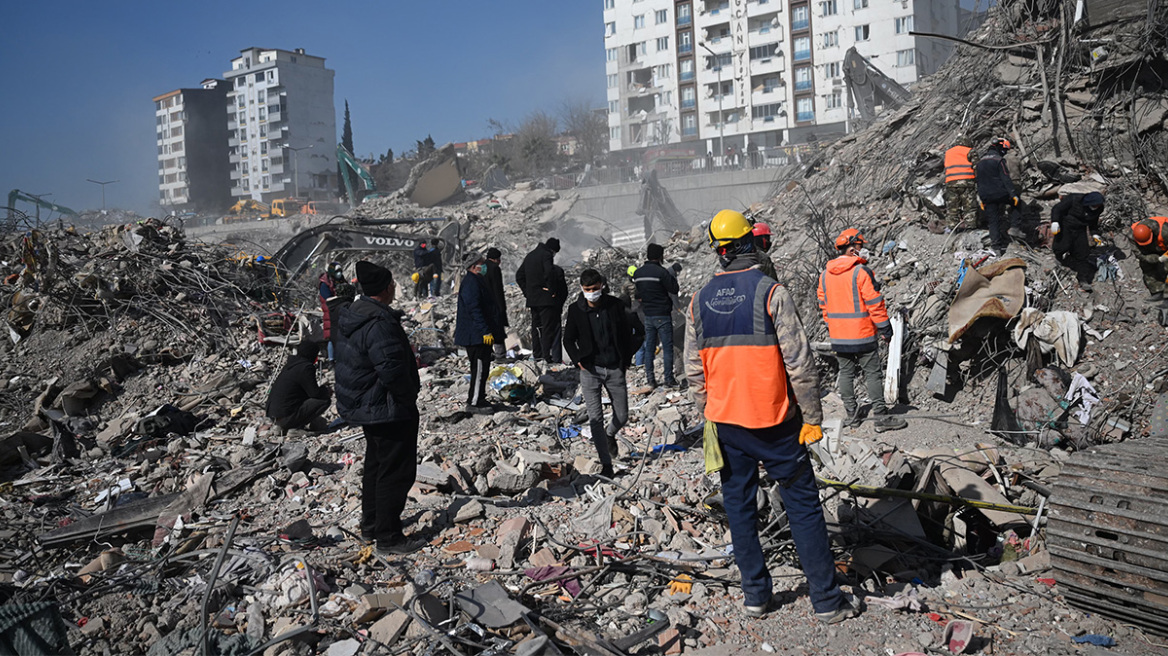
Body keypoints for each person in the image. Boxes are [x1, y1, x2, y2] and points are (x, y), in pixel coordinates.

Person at [684, 209, 860, 623]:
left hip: (727, 424)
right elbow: (799, 361)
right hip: (776, 422)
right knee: (802, 506)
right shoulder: (771, 292)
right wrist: (812, 416)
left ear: (718, 251)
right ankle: (827, 601)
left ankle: (756, 597)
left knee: (740, 508)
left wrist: (708, 412)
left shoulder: (698, 300)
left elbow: (693, 371)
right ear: (750, 242)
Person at [335, 261, 424, 555]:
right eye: (394, 284)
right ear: (386, 288)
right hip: (386, 406)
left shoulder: (355, 315)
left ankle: (371, 525)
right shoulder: (379, 323)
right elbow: (391, 369)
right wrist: (407, 396)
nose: (395, 288)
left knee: (376, 465)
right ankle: (388, 537)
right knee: (395, 471)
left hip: (367, 405)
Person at [818, 229, 907, 433]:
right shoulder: (860, 272)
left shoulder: (825, 275)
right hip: (863, 333)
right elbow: (874, 303)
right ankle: (881, 417)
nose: (862, 250)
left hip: (839, 336)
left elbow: (824, 305)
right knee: (872, 374)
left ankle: (851, 416)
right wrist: (885, 327)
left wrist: (833, 327)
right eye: (859, 247)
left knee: (846, 373)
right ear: (851, 248)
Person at [563, 269, 644, 478]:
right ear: (582, 289)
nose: (592, 292)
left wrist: (626, 358)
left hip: (615, 368)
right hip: (590, 370)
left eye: (595, 288)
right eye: (588, 289)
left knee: (623, 415)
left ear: (602, 286)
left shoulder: (616, 306)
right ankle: (606, 463)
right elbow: (568, 339)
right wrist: (578, 360)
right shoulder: (575, 310)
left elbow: (634, 332)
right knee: (595, 418)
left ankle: (610, 434)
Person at [455, 251, 505, 414]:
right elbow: (474, 309)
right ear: (473, 266)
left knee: (483, 368)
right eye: (482, 263)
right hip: (475, 335)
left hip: (479, 334)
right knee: (478, 369)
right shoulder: (471, 283)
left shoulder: (477, 280)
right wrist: (485, 331)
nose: (484, 266)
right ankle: (474, 402)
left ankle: (480, 397)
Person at [633, 242, 680, 388]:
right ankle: (668, 379)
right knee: (667, 348)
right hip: (663, 315)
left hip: (648, 316)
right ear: (660, 256)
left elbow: (638, 294)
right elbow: (674, 288)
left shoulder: (638, 274)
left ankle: (650, 379)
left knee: (649, 348)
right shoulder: (662, 272)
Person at [266, 340, 331, 432]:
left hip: (274, 416)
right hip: (286, 417)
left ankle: (282, 426)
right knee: (324, 400)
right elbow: (315, 394)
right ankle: (295, 428)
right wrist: (326, 390)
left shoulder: (290, 365)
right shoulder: (306, 367)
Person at [515, 238, 563, 364]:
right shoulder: (546, 255)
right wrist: (551, 291)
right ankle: (546, 356)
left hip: (533, 300)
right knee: (546, 328)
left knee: (536, 328)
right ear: (553, 250)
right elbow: (549, 273)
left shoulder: (530, 255)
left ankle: (538, 355)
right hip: (545, 299)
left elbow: (519, 276)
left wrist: (528, 292)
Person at [1051, 191, 1105, 292]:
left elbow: (1093, 222)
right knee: (1063, 245)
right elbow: (1057, 209)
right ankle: (1059, 257)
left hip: (1080, 229)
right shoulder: (1074, 199)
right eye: (1094, 205)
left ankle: (1083, 279)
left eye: (1098, 205)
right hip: (1066, 225)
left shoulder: (1099, 209)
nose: (1096, 207)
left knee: (1083, 253)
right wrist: (1055, 221)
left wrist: (1095, 234)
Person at [976, 138, 1022, 253]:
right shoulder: (999, 160)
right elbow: (1005, 178)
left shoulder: (980, 162)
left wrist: (981, 198)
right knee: (1017, 203)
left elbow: (979, 181)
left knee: (993, 221)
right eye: (1004, 150)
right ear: (1000, 148)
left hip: (987, 196)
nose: (1005, 152)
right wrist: (1013, 194)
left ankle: (996, 248)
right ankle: (1015, 227)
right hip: (1000, 193)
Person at [943, 135, 977, 229]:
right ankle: (970, 227)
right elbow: (976, 167)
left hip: (951, 183)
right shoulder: (969, 151)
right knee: (969, 207)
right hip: (967, 183)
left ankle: (953, 227)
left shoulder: (948, 153)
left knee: (952, 208)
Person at [1132, 216, 1168, 299]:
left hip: (1164, 248)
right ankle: (1157, 290)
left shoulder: (1165, 230)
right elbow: (1138, 253)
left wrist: (1164, 257)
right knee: (1147, 267)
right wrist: (1149, 258)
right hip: (1148, 251)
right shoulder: (1133, 234)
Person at [483, 247, 509, 357]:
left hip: (483, 305)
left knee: (487, 330)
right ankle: (500, 355)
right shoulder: (495, 269)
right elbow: (497, 290)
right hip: (494, 306)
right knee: (497, 330)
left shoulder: (481, 267)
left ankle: (488, 353)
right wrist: (502, 308)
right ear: (496, 259)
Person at [318, 262, 346, 361]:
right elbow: (327, 298)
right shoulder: (324, 284)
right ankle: (331, 359)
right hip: (330, 311)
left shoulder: (339, 280)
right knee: (331, 335)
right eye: (337, 272)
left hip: (340, 309)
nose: (339, 274)